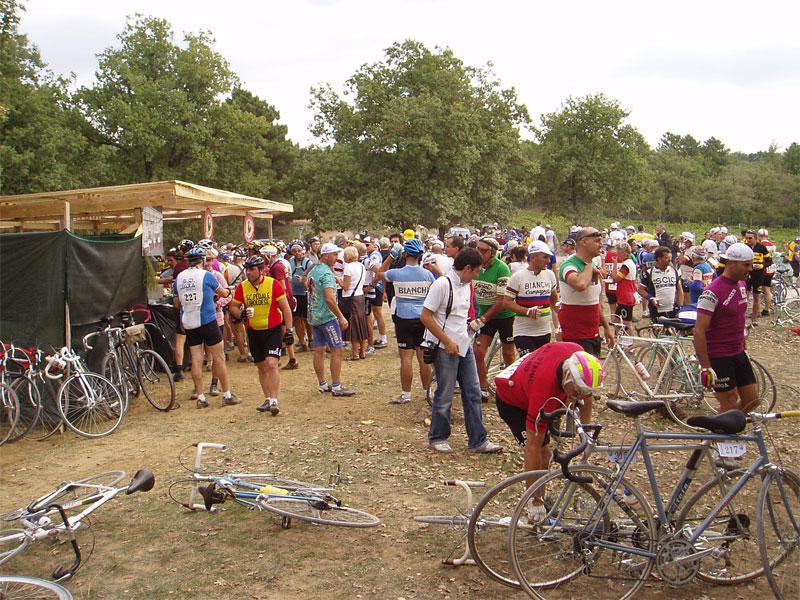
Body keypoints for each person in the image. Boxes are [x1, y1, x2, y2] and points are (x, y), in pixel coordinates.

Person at [495, 344, 603, 516]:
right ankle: (535, 503)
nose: (581, 397)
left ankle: (541, 497)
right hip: (512, 401)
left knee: (545, 452)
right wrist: (535, 502)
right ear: (567, 377)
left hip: (534, 378)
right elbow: (532, 449)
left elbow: (586, 395)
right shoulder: (543, 395)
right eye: (578, 391)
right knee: (542, 452)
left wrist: (587, 433)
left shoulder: (578, 355)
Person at [420, 247, 502, 454]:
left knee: (473, 391)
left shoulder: (467, 285)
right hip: (444, 347)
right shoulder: (442, 285)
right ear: (467, 268)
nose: (477, 275)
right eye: (476, 271)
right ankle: (437, 436)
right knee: (445, 392)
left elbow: (462, 314)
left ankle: (478, 439)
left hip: (463, 344)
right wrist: (447, 341)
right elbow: (426, 316)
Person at [557, 225, 615, 426]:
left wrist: (606, 327)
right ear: (584, 242)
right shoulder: (569, 265)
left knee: (589, 383)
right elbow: (580, 285)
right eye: (597, 241)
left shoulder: (592, 265)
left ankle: (581, 427)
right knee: (581, 382)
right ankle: (581, 428)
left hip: (592, 331)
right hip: (575, 332)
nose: (601, 245)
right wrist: (590, 266)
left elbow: (593, 302)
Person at [694, 243, 759, 414]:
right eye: (746, 265)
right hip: (719, 355)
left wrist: (744, 345)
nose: (750, 269)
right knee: (729, 400)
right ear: (731, 263)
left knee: (752, 399)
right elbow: (699, 330)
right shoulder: (712, 292)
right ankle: (726, 436)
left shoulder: (742, 285)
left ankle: (725, 427)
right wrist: (705, 366)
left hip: (738, 352)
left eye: (750, 264)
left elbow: (739, 319)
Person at [174, 247, 239, 408]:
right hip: (208, 320)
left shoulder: (179, 278)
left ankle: (201, 397)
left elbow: (176, 304)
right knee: (219, 357)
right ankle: (226, 394)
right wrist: (228, 292)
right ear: (202, 261)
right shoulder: (206, 275)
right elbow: (223, 293)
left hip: (189, 321)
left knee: (196, 358)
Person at [230, 255, 294, 416]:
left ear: (260, 270)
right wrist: (242, 313)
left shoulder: (272, 284)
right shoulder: (242, 287)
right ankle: (267, 398)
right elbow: (233, 308)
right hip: (253, 331)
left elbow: (285, 308)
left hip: (272, 329)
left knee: (272, 363)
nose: (248, 273)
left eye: (252, 269)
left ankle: (274, 400)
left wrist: (289, 330)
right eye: (247, 269)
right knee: (261, 366)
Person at [379, 237, 436, 404]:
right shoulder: (427, 275)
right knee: (423, 358)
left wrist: (390, 257)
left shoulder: (397, 273)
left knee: (406, 359)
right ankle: (428, 392)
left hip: (403, 319)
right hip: (423, 319)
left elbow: (380, 273)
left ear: (405, 255)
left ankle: (406, 395)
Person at [306, 243, 356, 397]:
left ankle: (322, 384)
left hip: (314, 316)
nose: (337, 258)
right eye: (334, 255)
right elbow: (329, 299)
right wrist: (341, 317)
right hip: (327, 317)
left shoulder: (314, 270)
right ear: (325, 255)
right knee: (337, 349)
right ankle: (336, 385)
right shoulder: (327, 274)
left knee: (319, 349)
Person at [473, 236, 516, 401]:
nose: (479, 253)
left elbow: (502, 301)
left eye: (483, 250)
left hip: (504, 316)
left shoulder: (502, 268)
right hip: (485, 316)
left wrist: (483, 319)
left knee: (508, 353)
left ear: (493, 253)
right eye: (478, 249)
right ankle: (483, 388)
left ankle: (510, 388)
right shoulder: (476, 267)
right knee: (478, 352)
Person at [503, 240, 560, 356]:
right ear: (533, 257)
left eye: (549, 258)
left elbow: (554, 301)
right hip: (524, 332)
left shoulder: (549, 275)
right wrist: (527, 311)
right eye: (545, 257)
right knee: (529, 368)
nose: (548, 261)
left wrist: (563, 319)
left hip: (544, 331)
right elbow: (506, 302)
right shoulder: (518, 277)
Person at [337, 246, 369, 360]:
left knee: (353, 324)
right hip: (360, 296)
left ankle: (355, 353)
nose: (343, 257)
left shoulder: (348, 267)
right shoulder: (361, 265)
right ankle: (363, 351)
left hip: (350, 298)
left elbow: (345, 287)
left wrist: (338, 280)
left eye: (345, 255)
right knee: (361, 323)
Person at [638, 246, 684, 320]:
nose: (669, 260)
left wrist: (680, 305)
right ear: (659, 259)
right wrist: (651, 298)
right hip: (656, 310)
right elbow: (640, 290)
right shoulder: (650, 273)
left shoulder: (674, 271)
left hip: (673, 309)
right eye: (666, 258)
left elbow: (679, 289)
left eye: (670, 257)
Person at [288, 241, 313, 352]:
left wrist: (304, 279)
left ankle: (311, 339)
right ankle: (302, 342)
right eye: (294, 251)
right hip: (294, 293)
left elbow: (312, 277)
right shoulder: (289, 262)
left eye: (299, 250)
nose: (297, 253)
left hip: (305, 292)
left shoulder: (308, 262)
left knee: (306, 318)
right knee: (297, 318)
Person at [743, 229, 772, 323]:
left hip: (758, 274)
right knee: (744, 296)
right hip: (746, 274)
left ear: (755, 238)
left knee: (757, 295)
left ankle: (754, 318)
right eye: (746, 238)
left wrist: (762, 266)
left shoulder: (762, 248)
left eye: (750, 238)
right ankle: (741, 316)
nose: (748, 240)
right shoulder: (745, 247)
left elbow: (769, 261)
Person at [610, 243, 637, 336]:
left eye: (618, 253)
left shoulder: (626, 265)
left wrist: (615, 264)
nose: (616, 255)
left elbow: (615, 278)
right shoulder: (629, 263)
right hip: (625, 297)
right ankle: (619, 339)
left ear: (623, 253)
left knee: (627, 323)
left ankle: (630, 344)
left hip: (626, 298)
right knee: (616, 320)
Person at [758, 229, 776, 315]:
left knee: (761, 290)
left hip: (763, 268)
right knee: (767, 289)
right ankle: (767, 308)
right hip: (771, 268)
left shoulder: (761, 245)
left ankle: (761, 309)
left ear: (759, 236)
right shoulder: (773, 245)